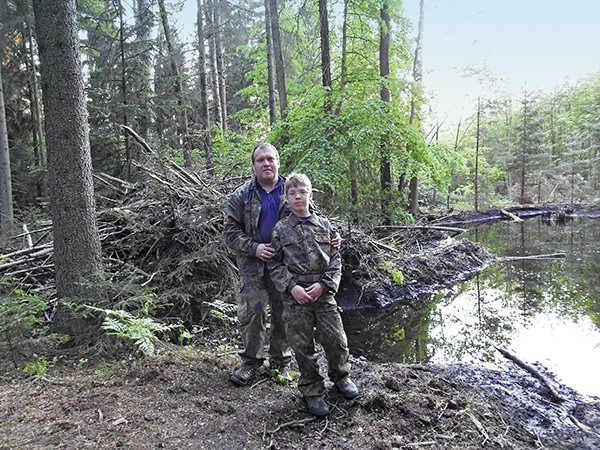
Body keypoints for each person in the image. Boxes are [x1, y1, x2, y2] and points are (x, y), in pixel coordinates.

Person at [268, 173, 359, 418]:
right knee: (303, 348)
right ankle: (312, 391)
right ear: (286, 198)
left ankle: (341, 378)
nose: (298, 197)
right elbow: (275, 264)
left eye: (303, 192)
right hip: (295, 299)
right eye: (293, 193)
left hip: (324, 296)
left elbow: (336, 260)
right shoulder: (280, 229)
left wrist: (325, 285)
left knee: (336, 341)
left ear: (311, 194)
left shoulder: (326, 226)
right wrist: (292, 288)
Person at [223, 143, 293, 386]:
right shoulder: (241, 196)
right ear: (254, 166)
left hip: (284, 265)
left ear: (278, 162)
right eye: (260, 160)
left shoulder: (292, 190)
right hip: (252, 265)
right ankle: (251, 363)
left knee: (283, 314)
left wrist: (331, 236)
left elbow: (311, 219)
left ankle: (280, 364)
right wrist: (255, 248)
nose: (266, 164)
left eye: (270, 159)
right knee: (254, 313)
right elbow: (230, 233)